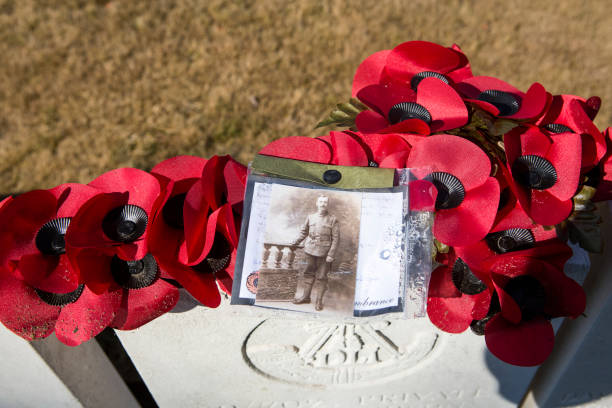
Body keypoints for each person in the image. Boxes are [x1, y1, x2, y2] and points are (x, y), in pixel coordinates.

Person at [291, 195, 339, 311]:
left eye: (325, 202)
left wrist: (331, 255)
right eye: (321, 202)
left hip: (324, 253)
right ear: (317, 203)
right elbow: (304, 232)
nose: (323, 204)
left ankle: (318, 301)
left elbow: (336, 238)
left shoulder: (333, 219)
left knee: (322, 277)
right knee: (308, 273)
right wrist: (295, 242)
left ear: (327, 205)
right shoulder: (310, 217)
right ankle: (305, 297)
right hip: (310, 250)